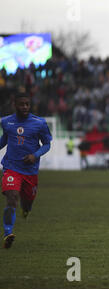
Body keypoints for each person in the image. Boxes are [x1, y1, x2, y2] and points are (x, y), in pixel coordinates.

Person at [0, 95, 52, 249]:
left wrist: (34, 155)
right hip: (11, 168)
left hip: (30, 172)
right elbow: (5, 139)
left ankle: (26, 209)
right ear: (14, 105)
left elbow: (47, 144)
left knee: (27, 202)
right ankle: (8, 233)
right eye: (21, 104)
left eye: (27, 104)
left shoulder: (39, 123)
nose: (25, 107)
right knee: (12, 197)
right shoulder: (6, 121)